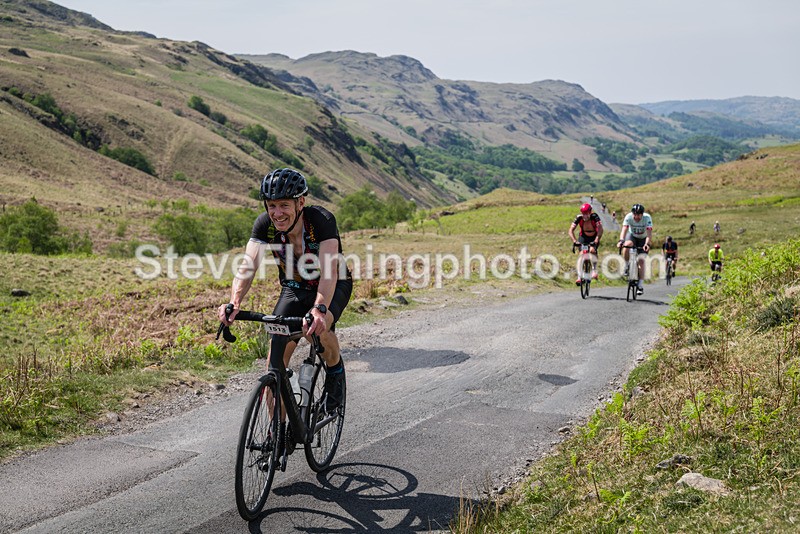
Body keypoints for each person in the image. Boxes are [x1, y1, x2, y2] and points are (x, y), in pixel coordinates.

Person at [218, 168, 352, 415]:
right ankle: (277, 436)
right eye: (271, 206)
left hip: (332, 284)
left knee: (318, 331)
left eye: (283, 205)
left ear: (300, 202)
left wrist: (320, 309)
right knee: (274, 365)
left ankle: (335, 374)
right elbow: (248, 265)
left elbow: (329, 273)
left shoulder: (321, 220)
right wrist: (234, 301)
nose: (277, 213)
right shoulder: (265, 225)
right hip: (294, 288)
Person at [618, 203, 653, 295]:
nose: (636, 217)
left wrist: (647, 244)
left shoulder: (647, 218)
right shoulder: (628, 217)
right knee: (627, 244)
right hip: (632, 236)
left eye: (639, 215)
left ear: (642, 214)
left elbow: (649, 234)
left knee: (641, 261)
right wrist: (621, 240)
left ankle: (640, 285)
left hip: (643, 239)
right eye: (635, 214)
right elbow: (624, 230)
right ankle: (626, 266)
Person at [569, 202, 603, 283]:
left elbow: (600, 229)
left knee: (592, 250)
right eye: (583, 214)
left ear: (590, 212)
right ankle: (579, 276)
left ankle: (594, 270)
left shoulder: (595, 217)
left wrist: (597, 239)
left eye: (587, 214)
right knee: (581, 254)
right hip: (583, 237)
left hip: (594, 237)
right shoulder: (579, 218)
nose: (585, 216)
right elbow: (570, 230)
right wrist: (574, 241)